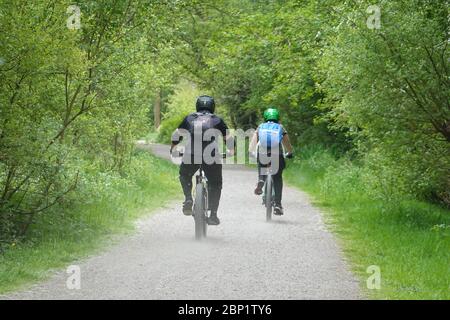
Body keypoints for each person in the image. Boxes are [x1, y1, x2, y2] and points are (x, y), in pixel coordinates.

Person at [170, 95, 234, 226]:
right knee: (216, 183)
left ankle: (188, 199)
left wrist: (173, 149)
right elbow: (228, 138)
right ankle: (213, 216)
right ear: (213, 106)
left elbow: (177, 135)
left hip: (191, 154)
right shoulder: (217, 119)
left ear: (197, 106)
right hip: (211, 156)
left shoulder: (190, 118)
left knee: (184, 175)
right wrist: (231, 151)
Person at [249, 107, 294, 216]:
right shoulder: (280, 127)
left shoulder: (261, 127)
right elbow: (286, 143)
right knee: (277, 178)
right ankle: (278, 204)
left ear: (265, 117)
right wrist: (290, 152)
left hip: (263, 153)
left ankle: (261, 179)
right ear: (277, 118)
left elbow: (254, 141)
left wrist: (250, 151)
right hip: (277, 155)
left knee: (261, 165)